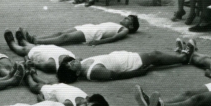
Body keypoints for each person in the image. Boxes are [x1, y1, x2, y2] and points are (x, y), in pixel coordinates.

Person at [60, 42, 194, 83]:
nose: (71, 62)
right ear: (77, 73)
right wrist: (139, 73)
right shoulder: (94, 72)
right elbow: (116, 75)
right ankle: (183, 58)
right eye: (71, 66)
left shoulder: (82, 63)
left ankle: (176, 56)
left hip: (121, 57)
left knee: (155, 58)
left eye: (69, 63)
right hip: (129, 64)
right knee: (155, 55)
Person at [17, 16, 140, 48]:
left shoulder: (125, 30)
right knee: (61, 33)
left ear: (131, 25)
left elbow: (115, 38)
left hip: (94, 33)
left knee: (65, 37)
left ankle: (35, 41)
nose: (124, 19)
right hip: (90, 27)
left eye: (127, 19)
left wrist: (98, 42)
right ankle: (34, 37)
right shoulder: (118, 25)